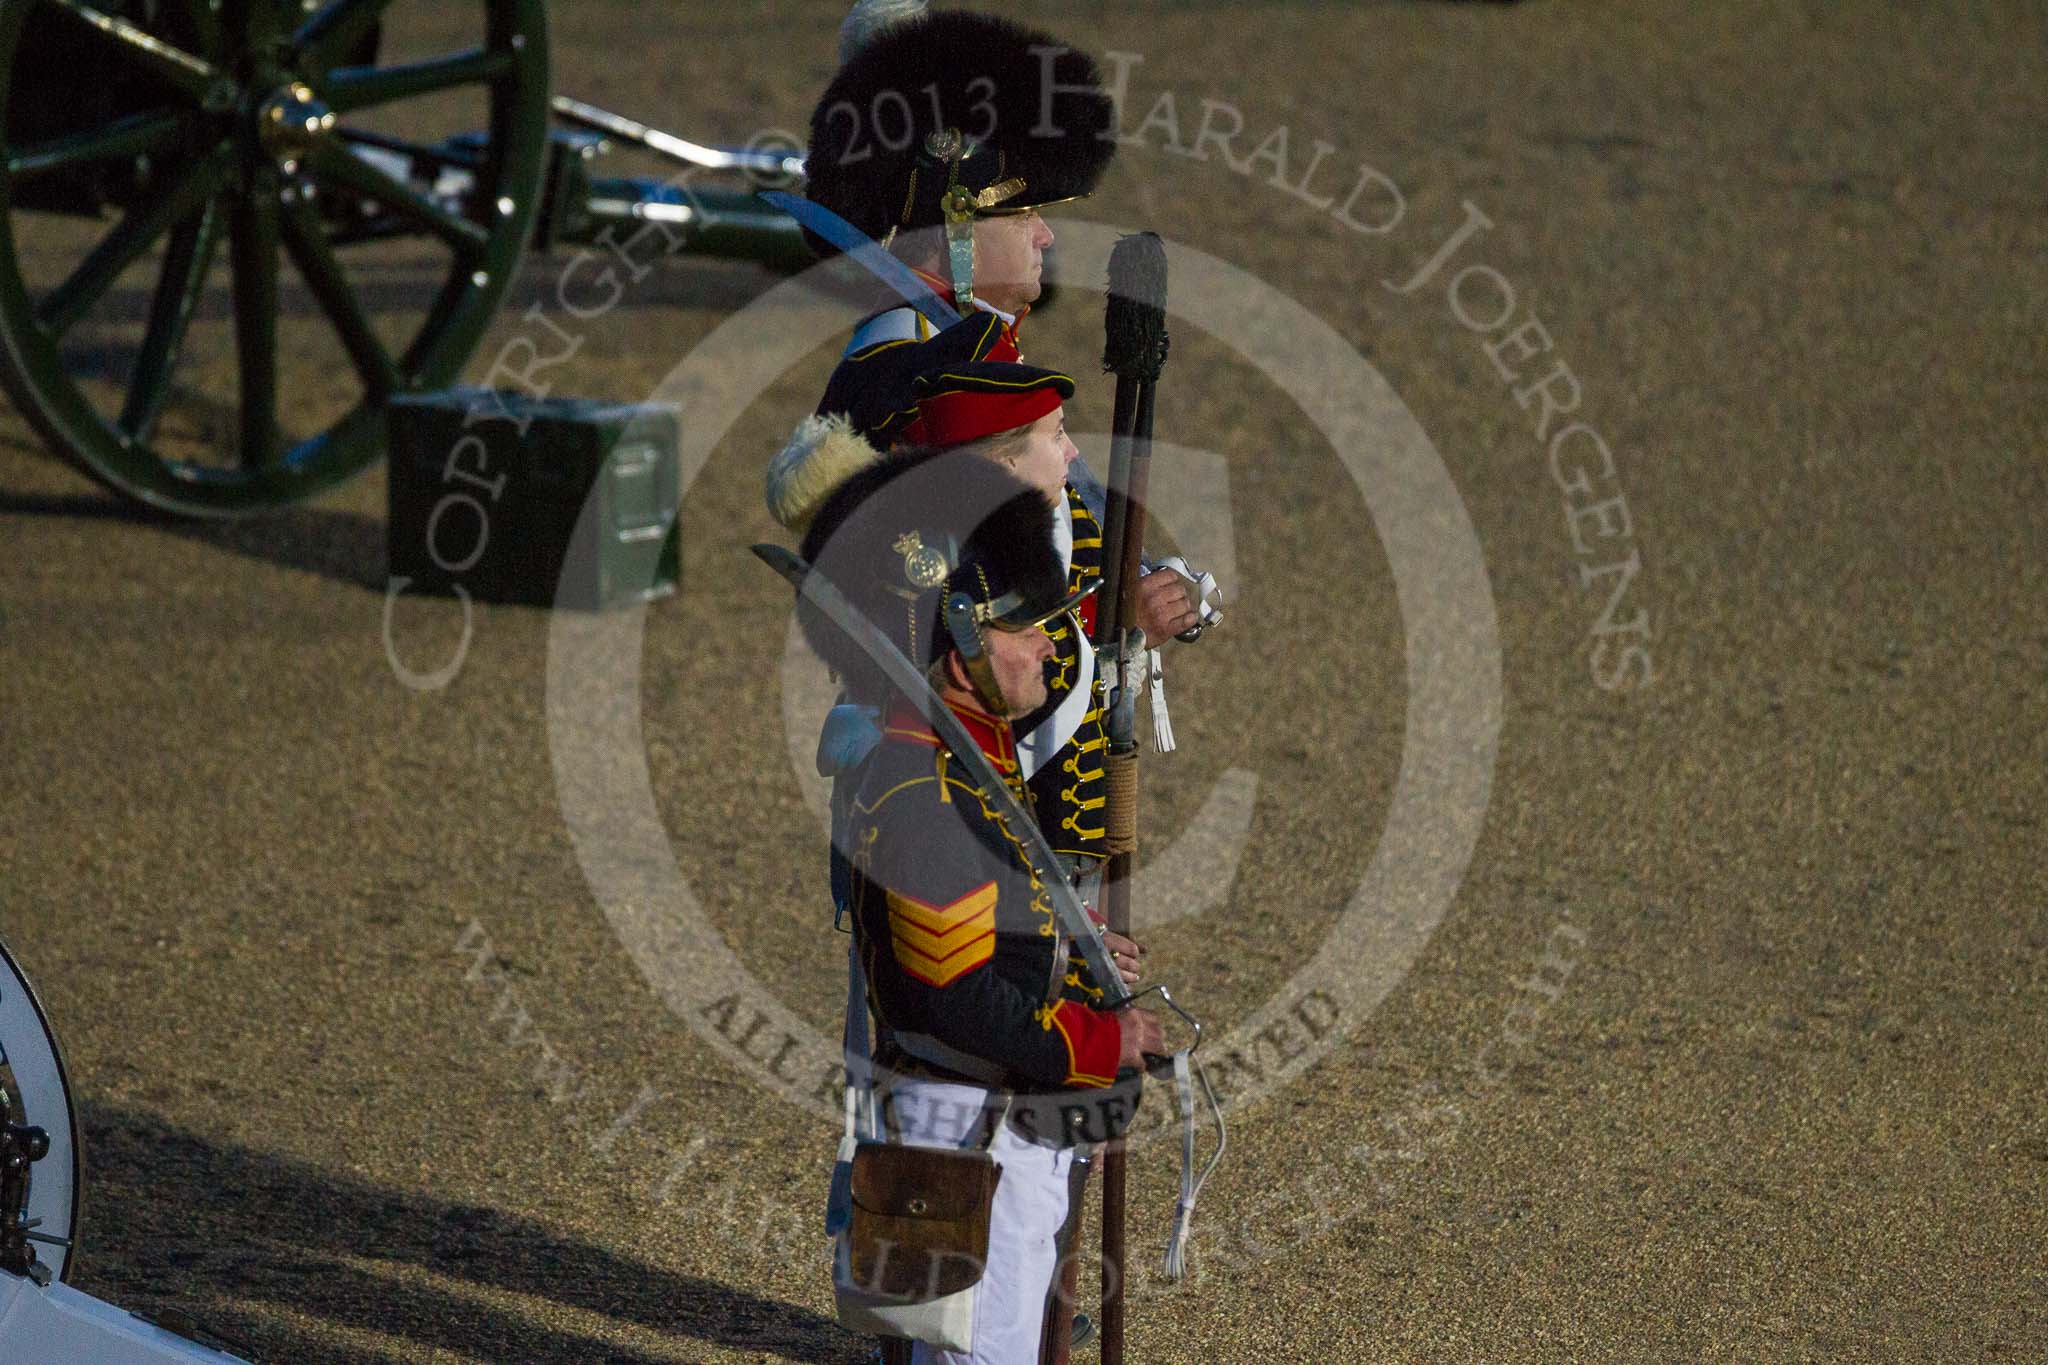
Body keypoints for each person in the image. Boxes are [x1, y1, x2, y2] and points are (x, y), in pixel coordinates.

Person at [795, 448, 1163, 1365]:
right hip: (969, 1137)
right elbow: (949, 994)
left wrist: (1073, 956)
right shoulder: (925, 790)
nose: (1049, 643)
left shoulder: (970, 758)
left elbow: (993, 927)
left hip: (991, 1125)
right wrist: (1101, 1040)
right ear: (960, 639)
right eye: (1029, 624)